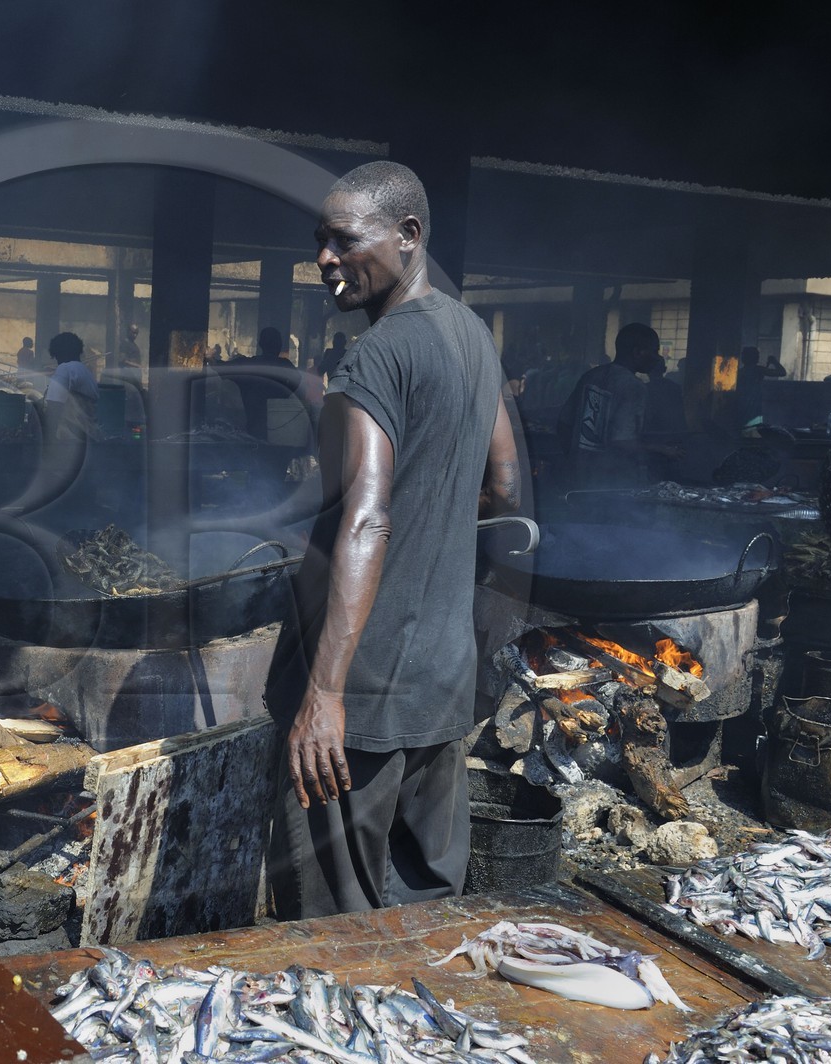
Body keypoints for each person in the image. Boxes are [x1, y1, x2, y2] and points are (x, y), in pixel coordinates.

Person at [267, 161, 519, 919]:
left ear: (408, 237)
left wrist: (325, 695)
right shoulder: (473, 333)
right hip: (444, 676)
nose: (324, 259)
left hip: (367, 695)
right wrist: (433, 517)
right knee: (427, 904)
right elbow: (503, 487)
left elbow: (368, 517)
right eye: (320, 241)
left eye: (344, 239)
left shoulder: (376, 355)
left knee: (339, 920)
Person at [555, 323, 662, 488]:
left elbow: (563, 423)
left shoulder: (591, 376)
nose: (657, 357)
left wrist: (575, 457)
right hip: (612, 485)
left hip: (577, 478)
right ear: (638, 352)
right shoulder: (634, 387)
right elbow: (622, 442)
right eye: (654, 351)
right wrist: (662, 449)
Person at [43, 331, 99, 439]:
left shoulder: (65, 369)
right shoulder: (85, 371)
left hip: (69, 440)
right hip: (87, 436)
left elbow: (54, 408)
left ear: (59, 353)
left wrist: (46, 439)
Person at [643, 355, 686, 435]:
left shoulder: (644, 389)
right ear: (664, 369)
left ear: (647, 371)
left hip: (649, 434)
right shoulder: (675, 388)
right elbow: (680, 416)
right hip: (671, 433)